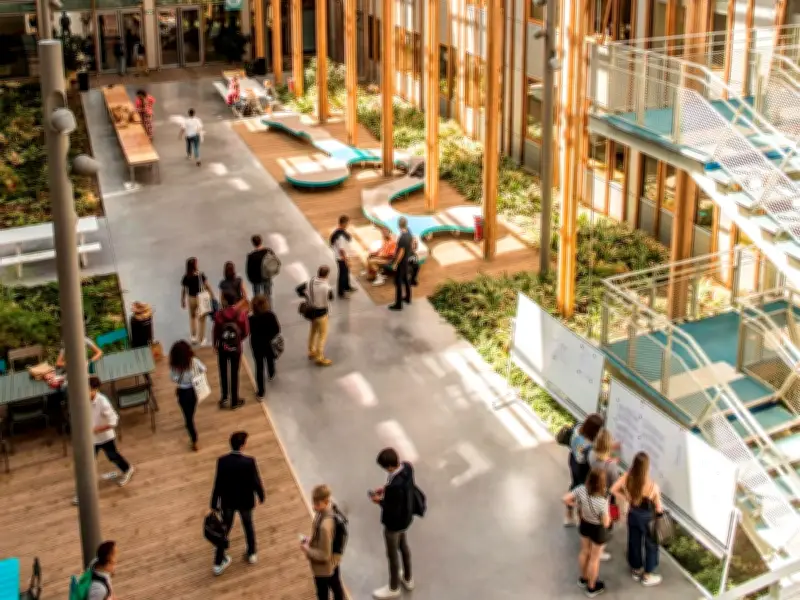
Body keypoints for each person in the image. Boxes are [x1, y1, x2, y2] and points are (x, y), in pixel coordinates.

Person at [210, 431, 265, 575]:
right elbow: (255, 481)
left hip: (228, 501)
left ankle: (218, 561)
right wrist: (261, 495)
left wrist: (214, 502)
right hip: (245, 501)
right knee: (248, 526)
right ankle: (252, 553)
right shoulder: (249, 462)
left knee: (224, 530)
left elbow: (218, 483)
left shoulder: (222, 461)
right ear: (242, 445)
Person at [73, 377, 134, 503]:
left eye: (88, 389)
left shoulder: (103, 402)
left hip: (105, 437)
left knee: (113, 456)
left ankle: (127, 469)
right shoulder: (83, 399)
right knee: (87, 464)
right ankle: (83, 493)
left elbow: (114, 421)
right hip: (91, 439)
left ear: (94, 389)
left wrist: (98, 429)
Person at [611, 452, 664, 587]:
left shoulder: (628, 477)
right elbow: (658, 508)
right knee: (651, 546)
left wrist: (627, 498)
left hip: (633, 514)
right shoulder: (653, 486)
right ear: (647, 467)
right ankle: (647, 575)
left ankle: (636, 569)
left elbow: (613, 489)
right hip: (648, 518)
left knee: (634, 541)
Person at [369, 448, 416, 599]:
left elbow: (390, 507)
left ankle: (393, 587)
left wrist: (379, 501)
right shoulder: (408, 468)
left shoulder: (395, 487)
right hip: (406, 518)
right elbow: (400, 487)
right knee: (404, 548)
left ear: (389, 466)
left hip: (394, 525)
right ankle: (408, 578)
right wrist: (386, 489)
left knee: (392, 555)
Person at [563, 467, 611, 598]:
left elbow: (565, 498)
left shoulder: (581, 489)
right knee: (594, 558)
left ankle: (583, 578)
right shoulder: (603, 499)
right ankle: (592, 587)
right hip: (597, 529)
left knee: (584, 551)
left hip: (584, 524)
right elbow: (606, 522)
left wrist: (576, 506)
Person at [302, 484, 345, 600]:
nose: (314, 507)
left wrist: (307, 550)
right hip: (334, 560)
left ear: (326, 501)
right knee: (336, 585)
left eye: (317, 504)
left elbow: (324, 555)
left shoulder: (325, 527)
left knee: (323, 593)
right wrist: (311, 539)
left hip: (323, 568)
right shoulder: (330, 510)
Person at [587, 428, 620, 561]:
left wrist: (610, 461)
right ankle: (598, 551)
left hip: (592, 494)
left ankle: (590, 542)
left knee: (593, 520)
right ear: (608, 446)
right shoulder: (612, 467)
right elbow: (614, 485)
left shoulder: (591, 454)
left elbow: (601, 461)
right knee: (605, 525)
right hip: (604, 499)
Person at [566, 413, 605, 526]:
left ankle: (569, 515)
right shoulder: (589, 443)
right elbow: (592, 456)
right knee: (583, 490)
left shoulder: (578, 428)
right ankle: (580, 515)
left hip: (572, 459)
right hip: (583, 467)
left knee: (574, 485)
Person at [213, 291, 250, 409]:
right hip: (236, 348)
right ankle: (234, 400)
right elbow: (246, 331)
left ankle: (224, 398)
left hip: (223, 347)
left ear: (225, 301)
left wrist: (215, 344)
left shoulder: (219, 315)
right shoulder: (241, 314)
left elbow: (216, 332)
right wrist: (238, 340)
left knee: (223, 372)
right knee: (235, 373)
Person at [169, 340, 206, 451]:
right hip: (194, 390)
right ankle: (190, 421)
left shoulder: (175, 366)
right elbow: (204, 369)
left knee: (187, 415)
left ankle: (194, 439)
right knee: (191, 410)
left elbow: (173, 378)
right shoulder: (194, 361)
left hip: (182, 391)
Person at [300, 265, 334, 367]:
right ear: (327, 275)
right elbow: (331, 298)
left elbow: (299, 289)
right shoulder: (326, 287)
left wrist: (307, 297)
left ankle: (311, 351)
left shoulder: (310, 281)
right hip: (322, 313)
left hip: (311, 312)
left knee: (313, 331)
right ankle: (320, 357)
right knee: (322, 335)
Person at [249, 294, 280, 399]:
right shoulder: (271, 315)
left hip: (256, 344)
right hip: (269, 343)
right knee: (270, 358)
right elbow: (277, 329)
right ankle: (271, 373)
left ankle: (261, 392)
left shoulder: (251, 319)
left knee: (259, 367)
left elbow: (248, 331)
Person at [181, 257, 215, 346]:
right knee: (202, 319)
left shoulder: (186, 276)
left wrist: (182, 300)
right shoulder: (200, 275)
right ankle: (202, 338)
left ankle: (193, 336)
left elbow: (184, 289)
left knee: (192, 317)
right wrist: (212, 295)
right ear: (195, 265)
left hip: (191, 298)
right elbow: (207, 285)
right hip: (200, 299)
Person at [388, 217, 413, 311]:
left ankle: (398, 304)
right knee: (406, 279)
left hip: (401, 262)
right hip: (406, 260)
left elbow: (401, 253)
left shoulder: (402, 238)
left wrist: (395, 263)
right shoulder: (409, 232)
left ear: (398, 225)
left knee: (398, 282)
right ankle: (408, 298)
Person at [330, 215, 356, 298]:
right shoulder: (341, 236)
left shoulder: (337, 232)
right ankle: (341, 293)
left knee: (346, 273)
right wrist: (346, 260)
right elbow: (341, 249)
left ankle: (347, 287)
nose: (348, 225)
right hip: (342, 258)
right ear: (344, 223)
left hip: (341, 257)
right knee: (343, 275)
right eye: (347, 223)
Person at [246, 234, 272, 300]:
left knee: (257, 298)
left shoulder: (251, 256)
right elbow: (274, 263)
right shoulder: (268, 251)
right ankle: (268, 309)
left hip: (256, 280)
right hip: (267, 277)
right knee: (267, 297)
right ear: (261, 241)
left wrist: (251, 280)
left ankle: (258, 310)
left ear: (253, 243)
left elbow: (248, 270)